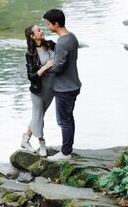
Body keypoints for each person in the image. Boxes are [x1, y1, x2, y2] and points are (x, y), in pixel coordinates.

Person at [41, 9, 81, 161]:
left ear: (56, 24)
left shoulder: (63, 42)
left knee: (63, 121)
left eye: (49, 24)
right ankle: (67, 149)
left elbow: (58, 67)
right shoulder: (72, 37)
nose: (48, 27)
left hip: (65, 88)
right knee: (68, 119)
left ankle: (65, 153)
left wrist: (43, 69)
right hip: (73, 84)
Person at [21, 24, 56, 157]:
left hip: (51, 88)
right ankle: (42, 144)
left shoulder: (51, 44)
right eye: (39, 30)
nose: (42, 31)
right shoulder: (30, 54)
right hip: (38, 90)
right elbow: (31, 76)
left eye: (41, 29)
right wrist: (45, 66)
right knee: (39, 116)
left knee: (38, 115)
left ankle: (25, 140)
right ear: (32, 36)